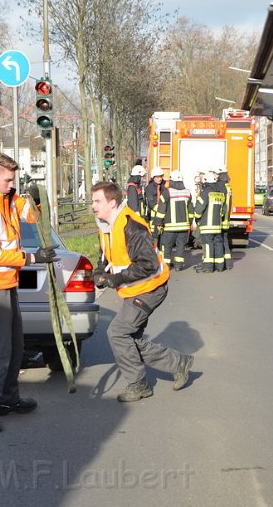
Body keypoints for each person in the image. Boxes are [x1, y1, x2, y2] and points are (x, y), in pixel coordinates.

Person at [0, 152, 57, 433]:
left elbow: (32, 216)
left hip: (4, 285)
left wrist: (35, 196)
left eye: (13, 179)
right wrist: (31, 259)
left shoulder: (5, 199)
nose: (11, 183)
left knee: (15, 348)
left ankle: (7, 399)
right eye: (7, 179)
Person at [91, 181, 193, 401]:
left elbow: (147, 264)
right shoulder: (106, 226)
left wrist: (114, 279)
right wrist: (99, 273)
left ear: (112, 202)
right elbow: (105, 257)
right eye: (93, 201)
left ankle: (138, 385)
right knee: (131, 340)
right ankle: (179, 363)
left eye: (97, 201)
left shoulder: (131, 225)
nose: (93, 206)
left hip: (150, 288)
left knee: (117, 333)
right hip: (135, 289)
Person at [158, 171, 194, 271]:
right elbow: (191, 210)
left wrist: (158, 222)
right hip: (183, 227)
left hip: (169, 227)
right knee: (181, 246)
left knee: (167, 246)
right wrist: (189, 222)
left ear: (171, 181)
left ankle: (166, 266)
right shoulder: (187, 192)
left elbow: (161, 210)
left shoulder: (167, 193)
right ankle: (178, 266)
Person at [193, 167, 226, 273]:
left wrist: (197, 218)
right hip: (217, 225)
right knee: (218, 244)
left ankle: (208, 267)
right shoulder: (219, 192)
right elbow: (223, 209)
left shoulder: (206, 192)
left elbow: (199, 208)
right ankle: (219, 266)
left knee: (208, 245)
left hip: (207, 225)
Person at [217, 165, 233, 269]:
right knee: (225, 241)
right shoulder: (227, 186)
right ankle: (228, 263)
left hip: (220, 219)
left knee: (219, 242)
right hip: (226, 218)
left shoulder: (221, 186)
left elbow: (220, 204)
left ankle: (220, 264)